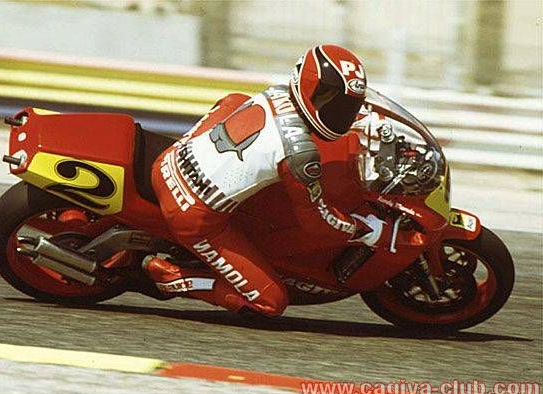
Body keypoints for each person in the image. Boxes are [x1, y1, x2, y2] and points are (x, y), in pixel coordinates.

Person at [145, 44, 389, 317]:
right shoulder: (300, 154)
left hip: (168, 160)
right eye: (331, 101)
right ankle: (170, 277)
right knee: (270, 302)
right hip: (193, 216)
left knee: (237, 100)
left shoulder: (277, 93)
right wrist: (362, 229)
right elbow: (318, 223)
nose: (338, 112)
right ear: (309, 87)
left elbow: (229, 102)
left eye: (347, 106)